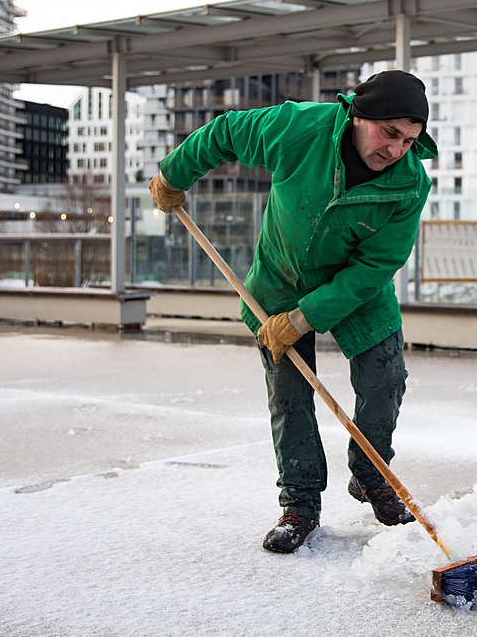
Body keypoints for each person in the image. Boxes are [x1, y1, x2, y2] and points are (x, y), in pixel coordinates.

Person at [148, 70, 435, 553]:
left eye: (409, 140)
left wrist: (304, 319)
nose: (397, 150)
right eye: (389, 133)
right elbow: (224, 133)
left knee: (385, 377)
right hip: (281, 279)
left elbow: (375, 266)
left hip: (354, 288)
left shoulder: (409, 185)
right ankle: (300, 504)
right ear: (358, 116)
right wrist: (174, 176)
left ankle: (371, 474)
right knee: (289, 391)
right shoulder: (298, 128)